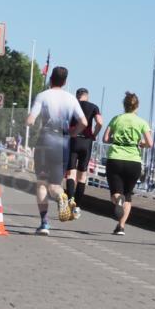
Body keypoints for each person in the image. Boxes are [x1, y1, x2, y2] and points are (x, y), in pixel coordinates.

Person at [25, 66, 86, 235]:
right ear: (65, 82)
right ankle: (60, 196)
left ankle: (44, 223)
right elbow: (84, 122)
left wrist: (28, 121)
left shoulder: (42, 96)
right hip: (63, 142)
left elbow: (31, 119)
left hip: (46, 140)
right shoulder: (71, 99)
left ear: (51, 79)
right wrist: (73, 133)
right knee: (55, 185)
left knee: (42, 183)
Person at [101, 92, 153, 235]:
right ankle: (121, 226)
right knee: (128, 195)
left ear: (124, 105)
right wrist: (139, 143)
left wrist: (116, 140)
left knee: (115, 194)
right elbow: (150, 143)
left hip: (116, 158)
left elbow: (105, 138)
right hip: (134, 161)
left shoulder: (116, 119)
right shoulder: (142, 122)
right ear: (137, 106)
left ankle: (118, 200)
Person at [64, 88, 102, 220]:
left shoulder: (71, 106)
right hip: (86, 142)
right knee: (82, 177)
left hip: (74, 140)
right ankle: (77, 208)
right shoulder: (94, 107)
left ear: (77, 96)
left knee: (70, 174)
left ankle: (70, 200)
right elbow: (100, 122)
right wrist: (94, 135)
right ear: (87, 96)